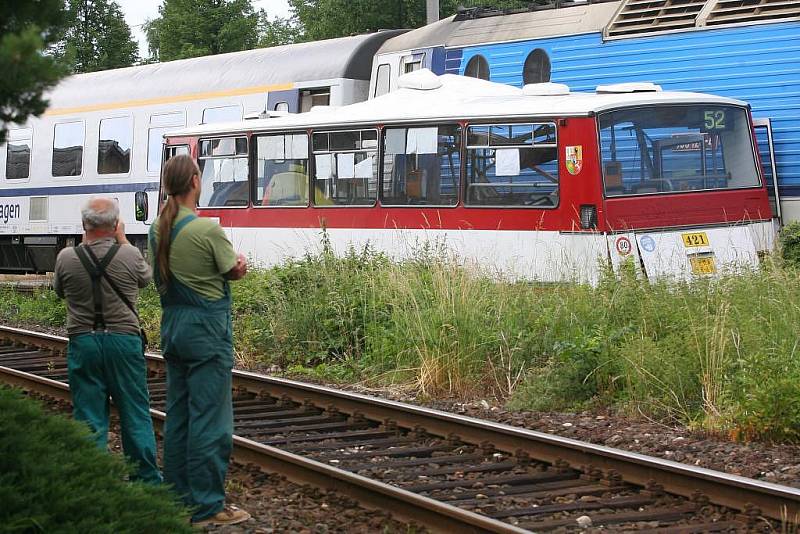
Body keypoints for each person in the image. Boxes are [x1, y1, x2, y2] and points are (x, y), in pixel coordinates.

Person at [149, 154, 250, 527]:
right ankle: (208, 506)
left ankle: (175, 499)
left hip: (173, 327)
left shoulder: (157, 228)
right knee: (211, 422)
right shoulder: (207, 230)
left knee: (178, 418)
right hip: (207, 332)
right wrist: (239, 266)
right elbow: (231, 270)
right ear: (195, 181)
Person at [53, 197, 161, 484]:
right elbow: (146, 279)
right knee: (135, 412)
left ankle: (93, 481)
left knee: (89, 416)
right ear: (115, 224)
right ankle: (146, 482)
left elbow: (60, 292)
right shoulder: (129, 255)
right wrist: (123, 239)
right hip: (124, 342)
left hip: (84, 342)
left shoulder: (66, 257)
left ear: (84, 224)